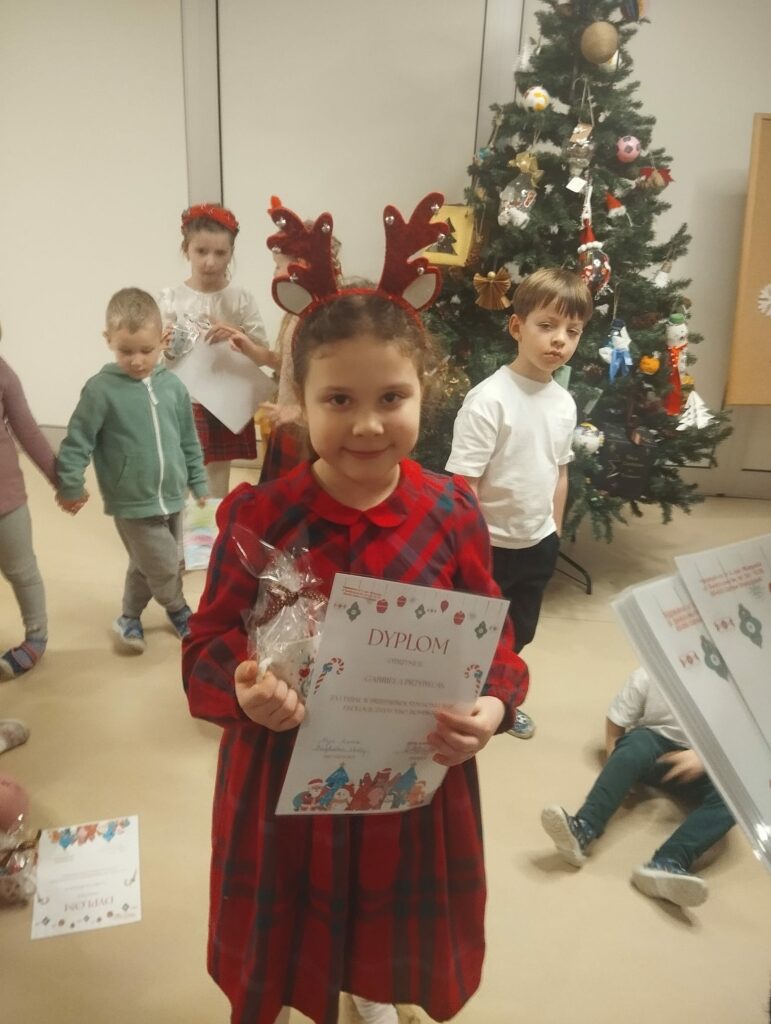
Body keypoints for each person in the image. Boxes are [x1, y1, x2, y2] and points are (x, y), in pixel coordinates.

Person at [182, 196, 530, 1024]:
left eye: (392, 397)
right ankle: (305, 991)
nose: (368, 425)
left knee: (387, 921)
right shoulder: (260, 517)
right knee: (291, 923)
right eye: (338, 400)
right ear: (297, 398)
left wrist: (492, 707)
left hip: (408, 781)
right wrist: (243, 690)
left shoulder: (451, 512)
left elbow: (493, 641)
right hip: (283, 778)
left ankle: (372, 988)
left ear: (423, 393)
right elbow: (205, 647)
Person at [445, 267, 593, 739]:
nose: (559, 340)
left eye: (572, 331)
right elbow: (464, 484)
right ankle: (459, 700)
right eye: (546, 326)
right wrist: (469, 549)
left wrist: (554, 532)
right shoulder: (489, 400)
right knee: (473, 631)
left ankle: (499, 695)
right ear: (516, 327)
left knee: (519, 631)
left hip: (537, 543)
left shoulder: (564, 403)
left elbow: (559, 471)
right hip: (487, 546)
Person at [56, 287, 207, 652]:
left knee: (146, 563)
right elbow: (77, 440)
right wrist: (70, 483)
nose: (137, 360)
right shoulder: (101, 390)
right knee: (165, 564)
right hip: (132, 502)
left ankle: (128, 617)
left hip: (173, 496)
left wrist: (198, 481)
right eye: (126, 351)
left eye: (146, 350)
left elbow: (188, 440)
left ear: (162, 340)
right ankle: (179, 608)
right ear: (108, 340)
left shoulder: (173, 387)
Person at [541, 666, 735, 909]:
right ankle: (584, 828)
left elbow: (745, 742)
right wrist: (619, 768)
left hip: (705, 765)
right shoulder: (647, 675)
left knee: (735, 797)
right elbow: (616, 724)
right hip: (653, 752)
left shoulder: (736, 691)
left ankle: (669, 862)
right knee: (636, 743)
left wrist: (705, 758)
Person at [159, 202, 278, 499]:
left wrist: (236, 333)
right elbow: (164, 358)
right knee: (182, 467)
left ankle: (213, 521)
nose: (210, 262)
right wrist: (169, 346)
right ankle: (180, 521)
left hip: (226, 398)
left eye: (220, 253)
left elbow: (261, 350)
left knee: (217, 473)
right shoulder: (172, 299)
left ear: (231, 253)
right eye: (201, 251)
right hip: (185, 398)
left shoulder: (240, 299)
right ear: (186, 249)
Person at [0, 329, 59, 678]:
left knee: (22, 570)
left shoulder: (4, 374)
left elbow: (28, 431)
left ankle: (36, 636)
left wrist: (61, 481)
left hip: (6, 501)